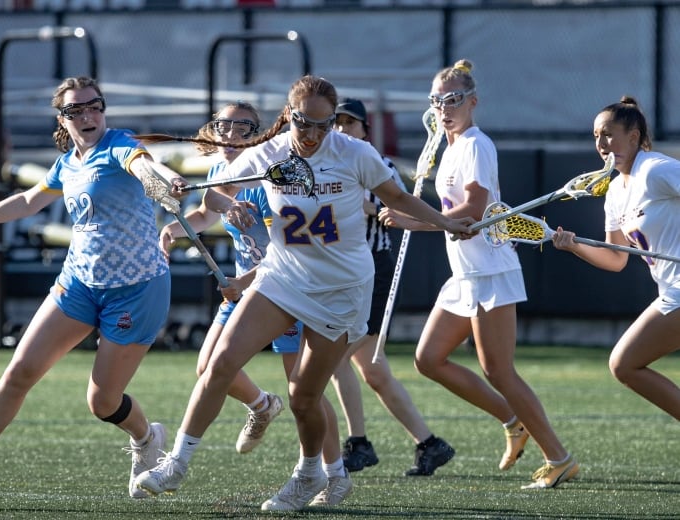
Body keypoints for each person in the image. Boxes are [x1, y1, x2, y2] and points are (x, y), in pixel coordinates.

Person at [131, 74, 474, 511]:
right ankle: (177, 463)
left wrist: (447, 222)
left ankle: (312, 472)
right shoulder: (268, 153)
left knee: (303, 397)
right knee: (219, 363)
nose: (312, 135)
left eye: (323, 125)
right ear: (288, 117)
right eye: (303, 124)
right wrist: (186, 189)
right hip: (283, 276)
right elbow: (218, 196)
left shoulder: (354, 153)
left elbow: (398, 199)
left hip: (342, 289)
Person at [0, 76, 194, 501]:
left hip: (136, 290)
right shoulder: (68, 163)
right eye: (75, 110)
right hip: (79, 282)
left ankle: (145, 438)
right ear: (62, 119)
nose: (87, 116)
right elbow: (28, 201)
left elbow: (144, 165)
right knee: (19, 372)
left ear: (103, 109)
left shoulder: (119, 144)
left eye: (94, 106)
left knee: (102, 402)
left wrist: (163, 179)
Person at [379, 60, 579, 489]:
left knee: (499, 371)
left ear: (473, 102)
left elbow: (470, 214)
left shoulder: (475, 145)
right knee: (429, 359)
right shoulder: (448, 147)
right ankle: (513, 421)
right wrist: (419, 217)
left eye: (453, 100)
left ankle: (559, 457)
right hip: (464, 273)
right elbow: (454, 217)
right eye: (437, 101)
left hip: (491, 269)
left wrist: (415, 219)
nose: (444, 107)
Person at [160, 101, 353, 505]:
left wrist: (242, 281)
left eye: (241, 128)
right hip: (247, 291)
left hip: (285, 288)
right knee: (210, 367)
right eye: (222, 127)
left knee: (305, 390)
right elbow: (206, 210)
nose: (230, 135)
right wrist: (173, 229)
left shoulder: (271, 176)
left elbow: (284, 253)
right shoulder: (220, 173)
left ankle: (335, 475)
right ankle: (261, 406)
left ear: (257, 135)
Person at [331, 97, 455, 477]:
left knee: (334, 359)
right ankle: (429, 444)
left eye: (350, 123)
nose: (342, 129)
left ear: (365, 130)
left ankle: (359, 443)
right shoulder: (326, 165)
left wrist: (370, 208)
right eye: (336, 123)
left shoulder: (377, 165)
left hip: (373, 271)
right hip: (340, 273)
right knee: (373, 370)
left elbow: (394, 206)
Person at [550, 96, 680, 421]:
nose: (601, 143)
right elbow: (615, 259)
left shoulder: (654, 169)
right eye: (596, 136)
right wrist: (574, 246)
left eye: (608, 134)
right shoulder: (615, 192)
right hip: (670, 294)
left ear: (634, 136)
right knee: (623, 364)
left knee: (624, 363)